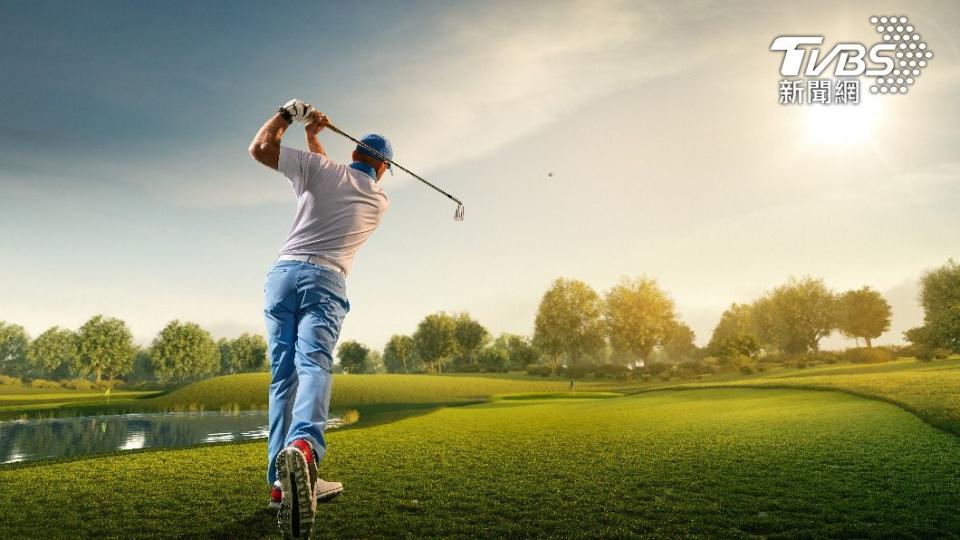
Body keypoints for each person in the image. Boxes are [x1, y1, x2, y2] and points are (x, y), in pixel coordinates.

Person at [248, 98, 392, 538]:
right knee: (314, 366)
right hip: (325, 281)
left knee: (283, 376)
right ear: (383, 169)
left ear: (353, 154)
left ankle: (279, 481)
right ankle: (305, 453)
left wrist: (292, 118)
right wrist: (314, 139)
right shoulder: (379, 200)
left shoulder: (323, 170)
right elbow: (338, 180)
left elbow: (260, 147)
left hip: (282, 275)